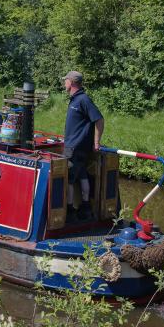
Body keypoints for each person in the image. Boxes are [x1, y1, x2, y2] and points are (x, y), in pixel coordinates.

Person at [61, 70, 104, 220]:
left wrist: (96, 142)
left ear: (71, 82)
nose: (64, 83)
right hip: (76, 146)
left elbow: (99, 119)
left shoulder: (83, 100)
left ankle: (70, 210)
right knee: (82, 175)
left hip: (74, 148)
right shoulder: (75, 99)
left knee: (69, 179)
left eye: (65, 80)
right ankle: (85, 206)